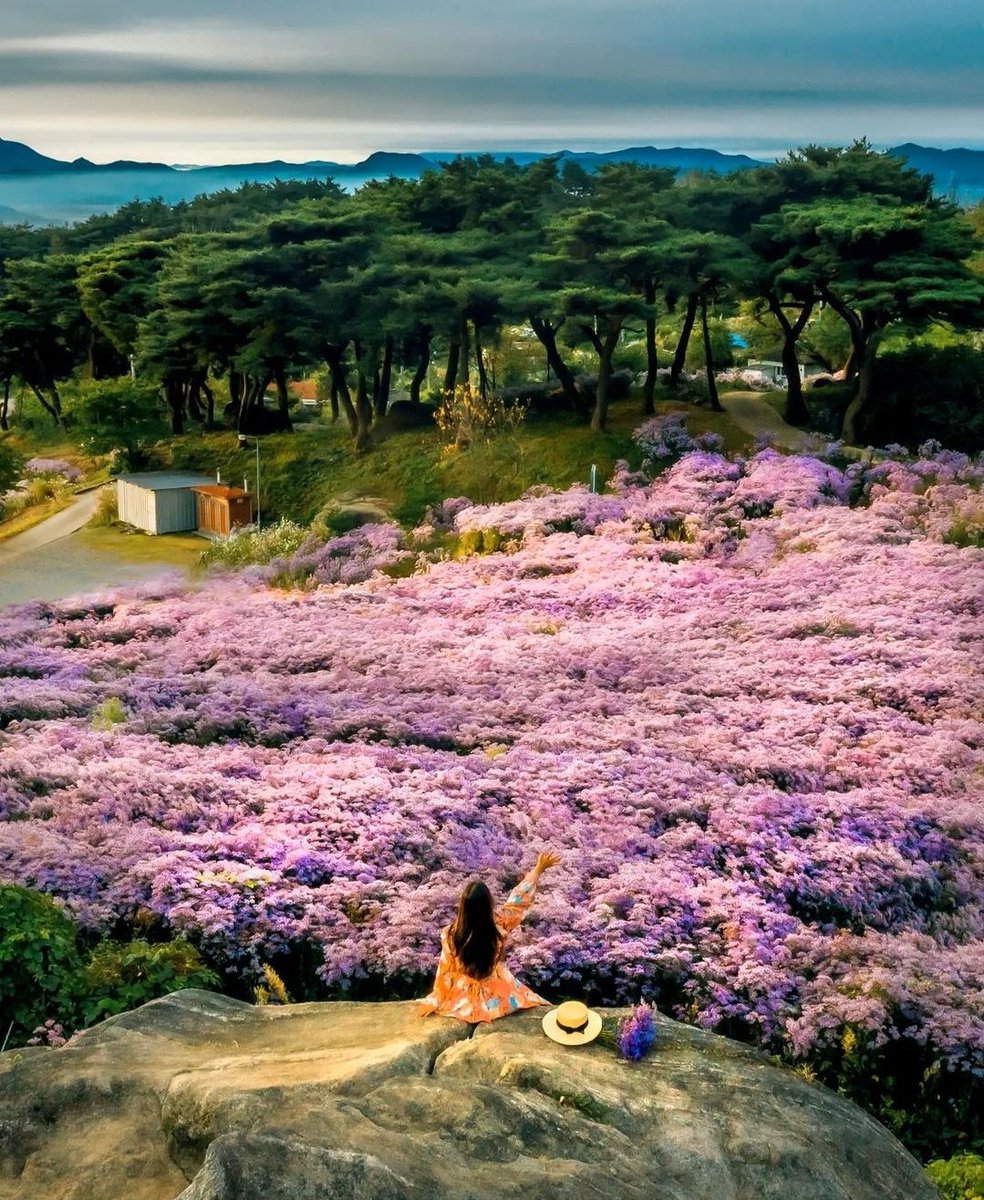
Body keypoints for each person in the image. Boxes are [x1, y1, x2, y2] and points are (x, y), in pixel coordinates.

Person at [418, 850, 560, 1023]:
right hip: (497, 990)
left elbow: (445, 970)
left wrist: (436, 999)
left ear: (463, 906)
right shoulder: (499, 925)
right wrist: (538, 870)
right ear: (489, 904)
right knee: (530, 998)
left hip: (464, 995)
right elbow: (518, 901)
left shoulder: (450, 933)